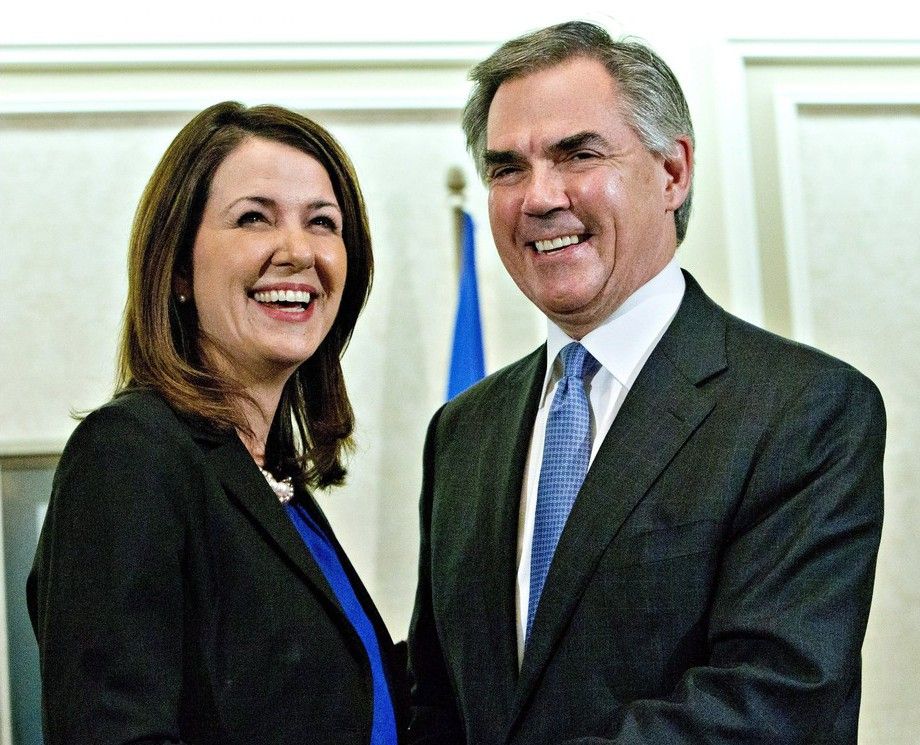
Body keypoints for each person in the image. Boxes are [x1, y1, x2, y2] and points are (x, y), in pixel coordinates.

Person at [407, 21, 885, 744]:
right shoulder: (461, 431)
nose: (538, 197)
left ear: (673, 172)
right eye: (507, 168)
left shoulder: (803, 410)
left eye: (579, 154)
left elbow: (773, 705)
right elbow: (436, 702)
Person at [28, 102, 405, 744]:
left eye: (323, 222)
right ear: (177, 268)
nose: (298, 251)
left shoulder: (274, 482)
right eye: (254, 218)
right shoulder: (129, 454)